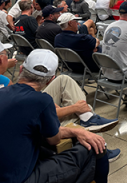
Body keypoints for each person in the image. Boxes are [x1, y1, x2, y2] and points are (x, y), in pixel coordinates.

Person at [0, 49, 110, 183]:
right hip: (19, 178)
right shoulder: (42, 100)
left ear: (21, 69)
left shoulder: (3, 91)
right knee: (95, 148)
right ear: (50, 80)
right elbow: (54, 139)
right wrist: (77, 132)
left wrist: (74, 132)